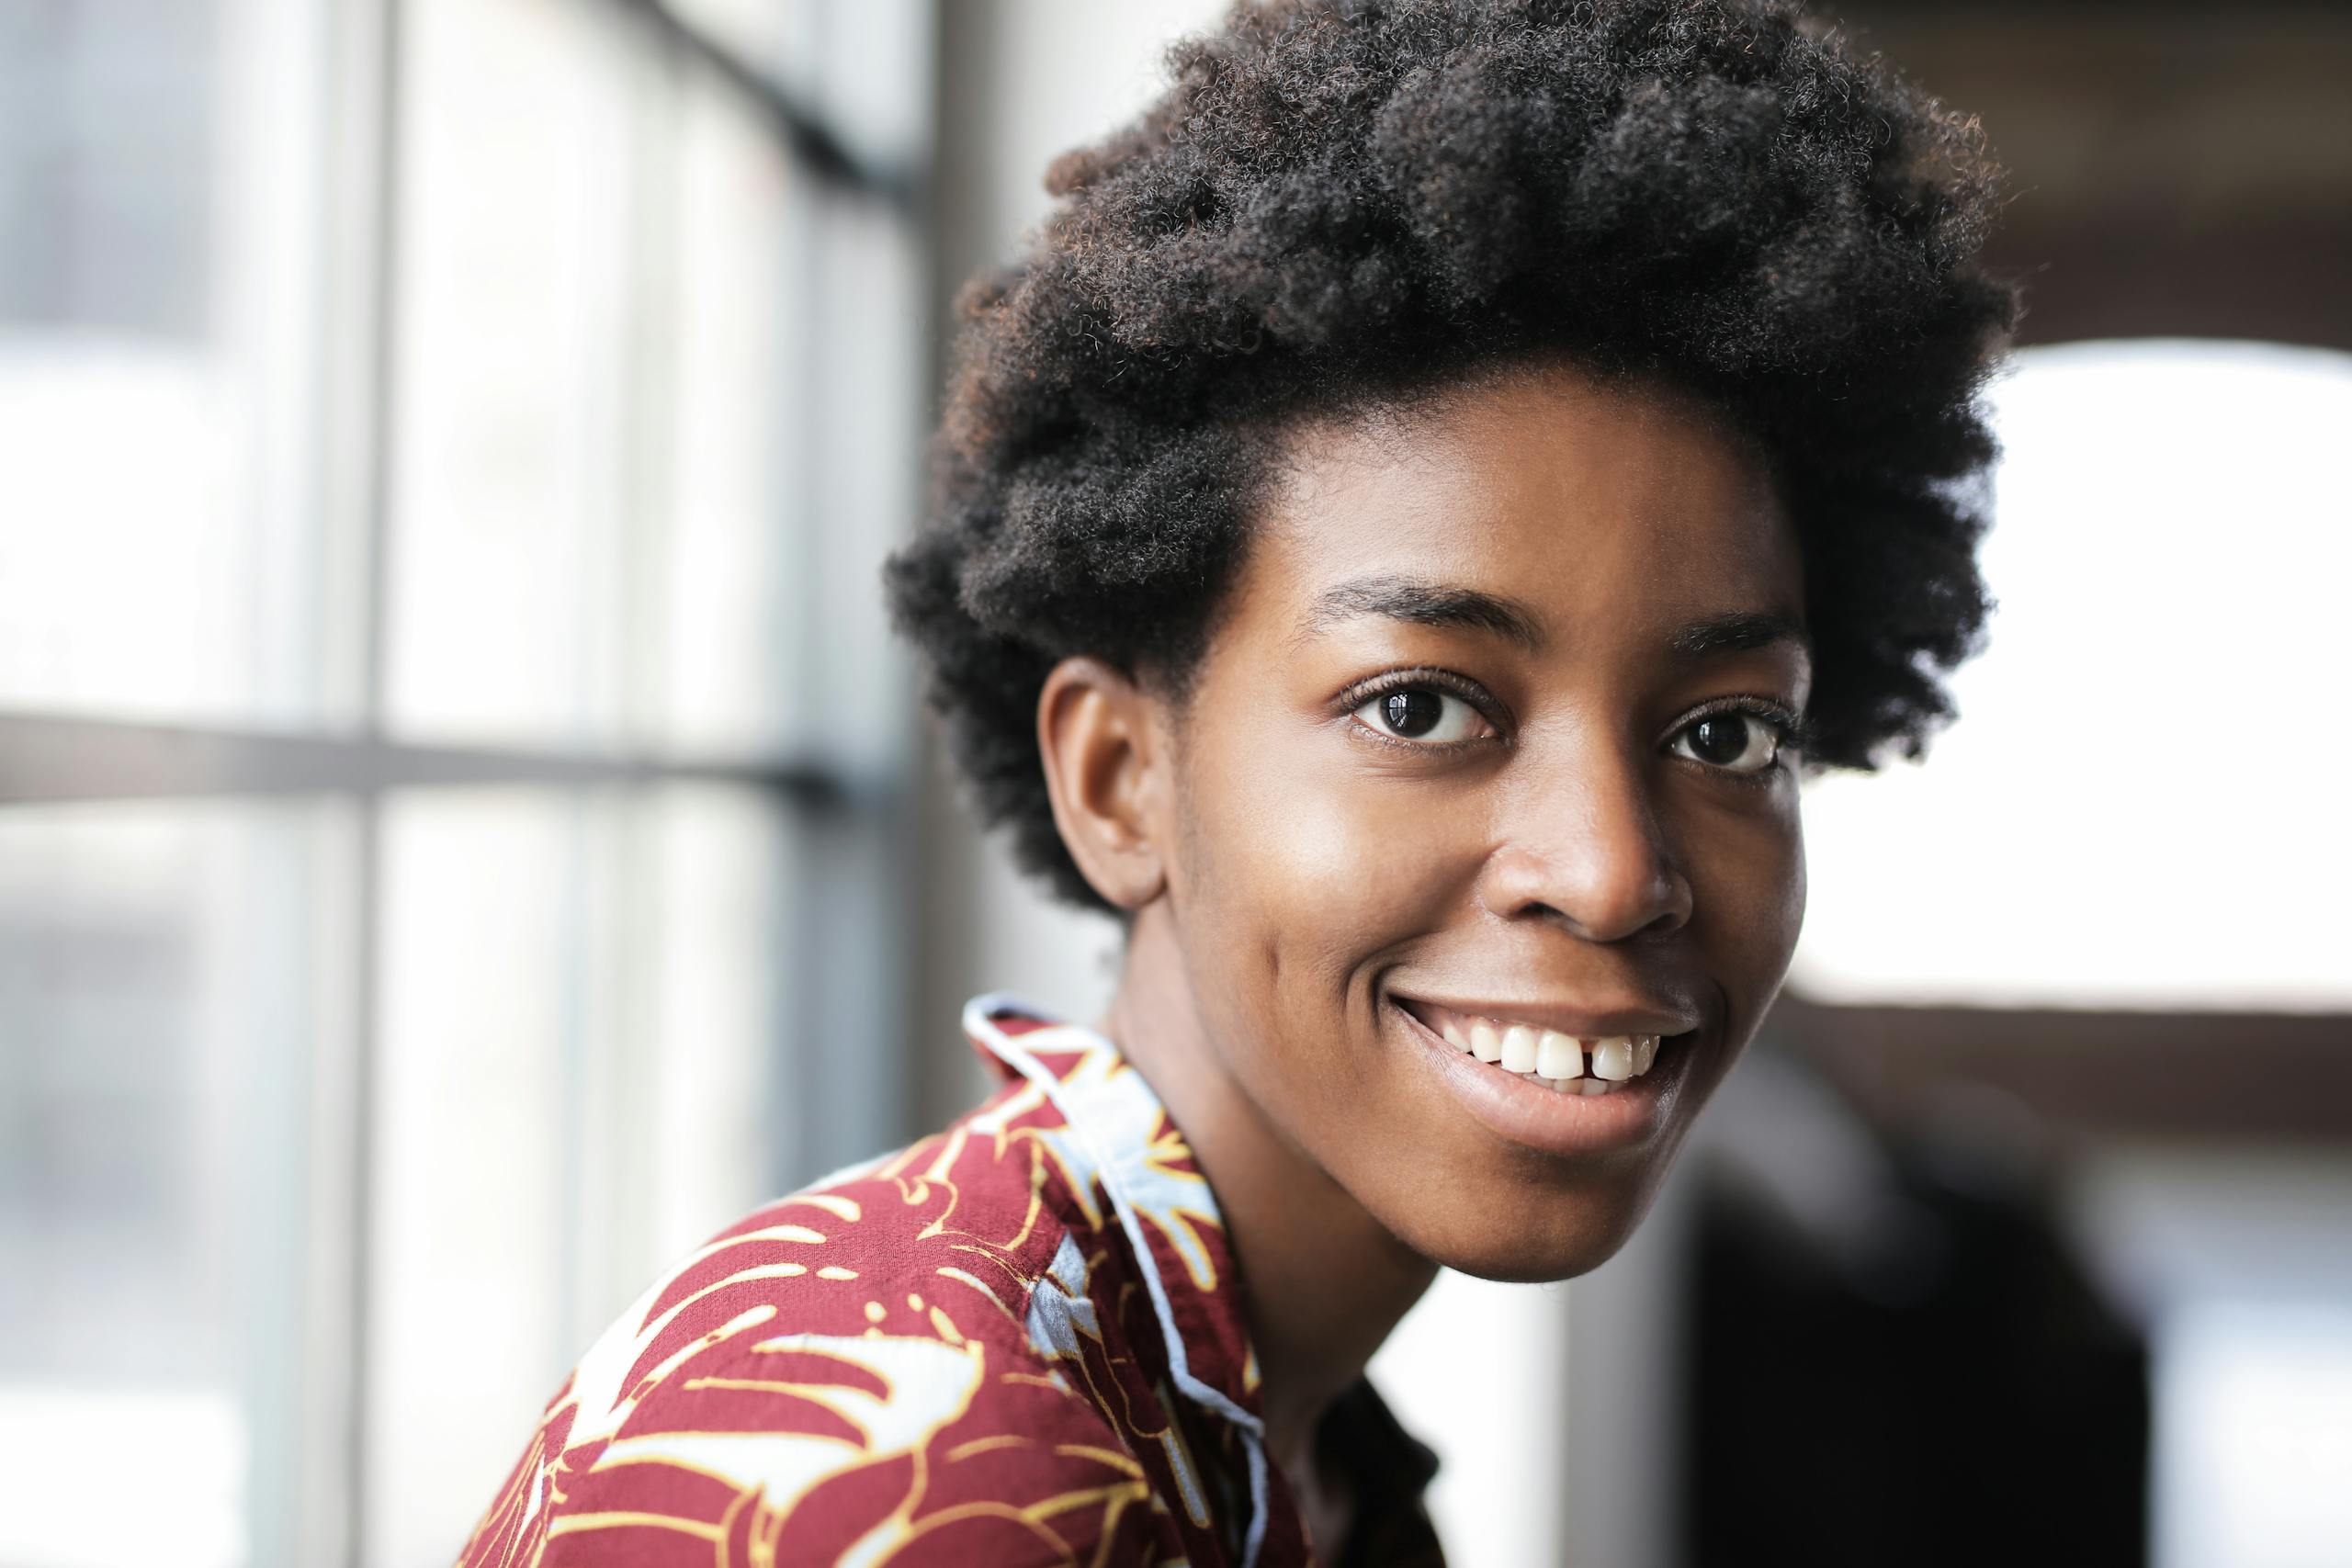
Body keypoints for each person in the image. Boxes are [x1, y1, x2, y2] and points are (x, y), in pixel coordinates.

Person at [457, 1, 2015, 1562]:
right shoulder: (912, 1471)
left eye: (1727, 733)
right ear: (1120, 779)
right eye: (1421, 704)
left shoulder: (1286, 1441)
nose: (1611, 870)